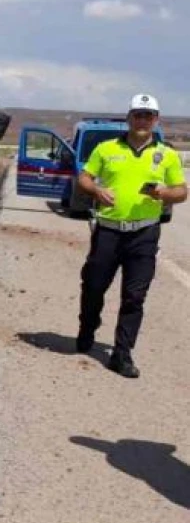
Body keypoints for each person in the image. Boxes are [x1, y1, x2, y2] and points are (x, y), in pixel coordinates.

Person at [76, 93, 187, 378]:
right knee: (93, 286)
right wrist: (96, 190)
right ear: (129, 117)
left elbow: (182, 191)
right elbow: (84, 177)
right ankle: (87, 327)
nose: (142, 120)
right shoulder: (106, 149)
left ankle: (122, 354)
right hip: (108, 232)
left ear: (156, 120)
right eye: (137, 114)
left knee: (134, 296)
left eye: (148, 116)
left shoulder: (168, 155)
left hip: (144, 234)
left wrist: (163, 193)